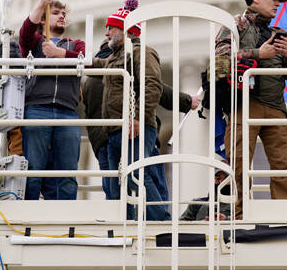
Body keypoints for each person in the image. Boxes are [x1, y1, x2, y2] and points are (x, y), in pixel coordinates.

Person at [215, 0, 287, 219]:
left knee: (284, 165)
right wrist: (258, 54)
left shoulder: (279, 34)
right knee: (240, 164)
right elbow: (220, 64)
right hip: (245, 105)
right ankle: (242, 213)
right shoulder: (234, 25)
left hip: (276, 108)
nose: (277, 4)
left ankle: (284, 216)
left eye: (279, 0)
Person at [82, 42, 201, 200]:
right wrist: (187, 100)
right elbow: (156, 88)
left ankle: (118, 223)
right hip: (131, 133)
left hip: (102, 141)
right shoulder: (120, 68)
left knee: (115, 191)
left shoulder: (88, 81)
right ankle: (160, 221)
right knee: (149, 181)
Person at [92, 0, 169, 220]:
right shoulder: (116, 56)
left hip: (135, 127)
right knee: (118, 181)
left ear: (125, 30)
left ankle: (159, 219)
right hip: (115, 130)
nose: (106, 33)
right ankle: (124, 220)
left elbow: (152, 85)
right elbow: (96, 65)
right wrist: (64, 56)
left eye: (111, 28)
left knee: (136, 171)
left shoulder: (141, 52)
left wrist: (137, 118)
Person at [18, 0, 85, 200]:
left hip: (67, 111)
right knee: (34, 169)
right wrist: (40, 4)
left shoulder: (75, 44)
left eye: (64, 13)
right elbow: (25, 32)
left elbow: (87, 60)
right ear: (44, 20)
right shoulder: (35, 43)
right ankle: (27, 214)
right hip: (38, 108)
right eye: (56, 13)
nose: (63, 16)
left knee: (67, 171)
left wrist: (60, 54)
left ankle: (66, 218)